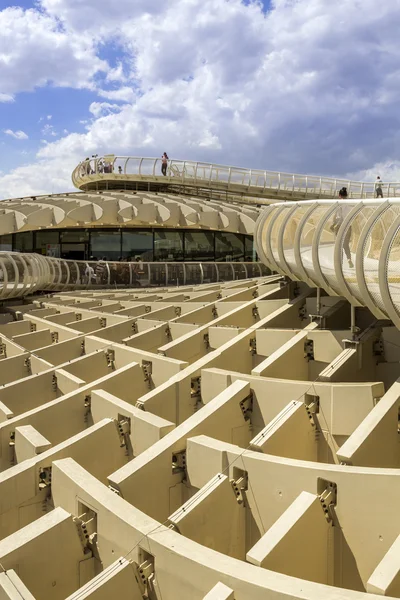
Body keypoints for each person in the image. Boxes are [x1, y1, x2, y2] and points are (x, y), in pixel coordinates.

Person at [330, 187, 354, 269]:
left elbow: (339, 217)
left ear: (339, 195)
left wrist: (333, 225)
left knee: (339, 245)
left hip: (340, 226)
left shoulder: (339, 203)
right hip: (348, 226)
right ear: (346, 195)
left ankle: (340, 264)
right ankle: (349, 259)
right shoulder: (351, 203)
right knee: (346, 245)